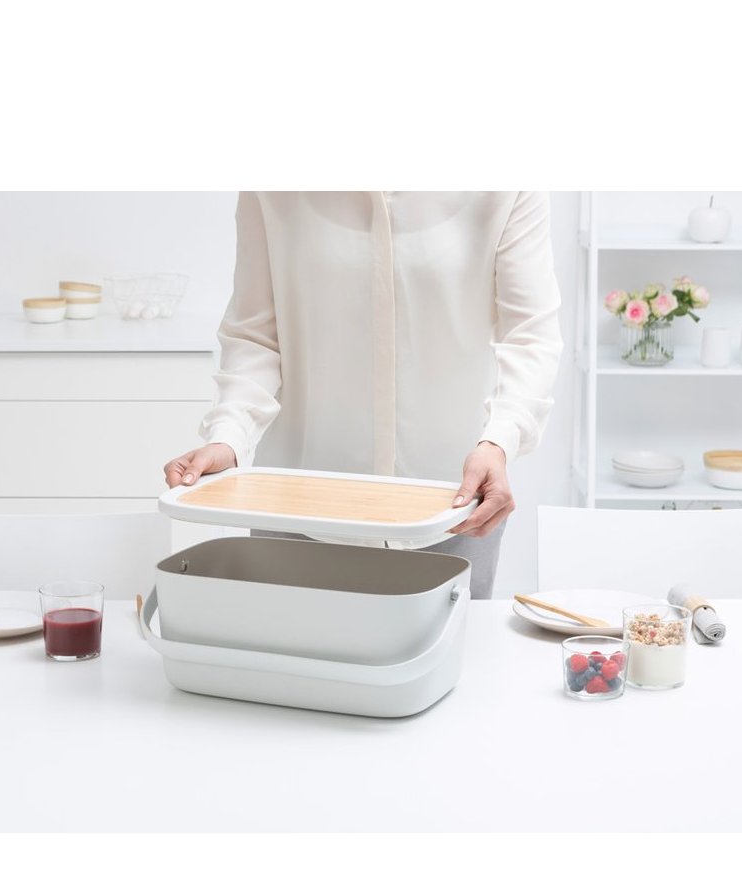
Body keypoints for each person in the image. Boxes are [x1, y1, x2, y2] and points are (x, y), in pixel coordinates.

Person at [163, 192, 564, 598]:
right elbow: (255, 335)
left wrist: (499, 442)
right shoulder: (272, 191)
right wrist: (229, 435)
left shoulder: (507, 188)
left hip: (452, 511)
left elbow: (531, 335)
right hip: (295, 513)